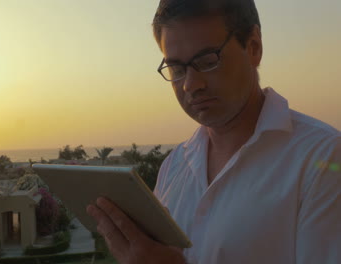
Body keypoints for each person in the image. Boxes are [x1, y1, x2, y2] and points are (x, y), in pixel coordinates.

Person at [87, 0, 341, 263]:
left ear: (254, 47)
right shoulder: (174, 167)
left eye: (207, 61)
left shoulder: (323, 157)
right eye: (176, 68)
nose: (190, 85)